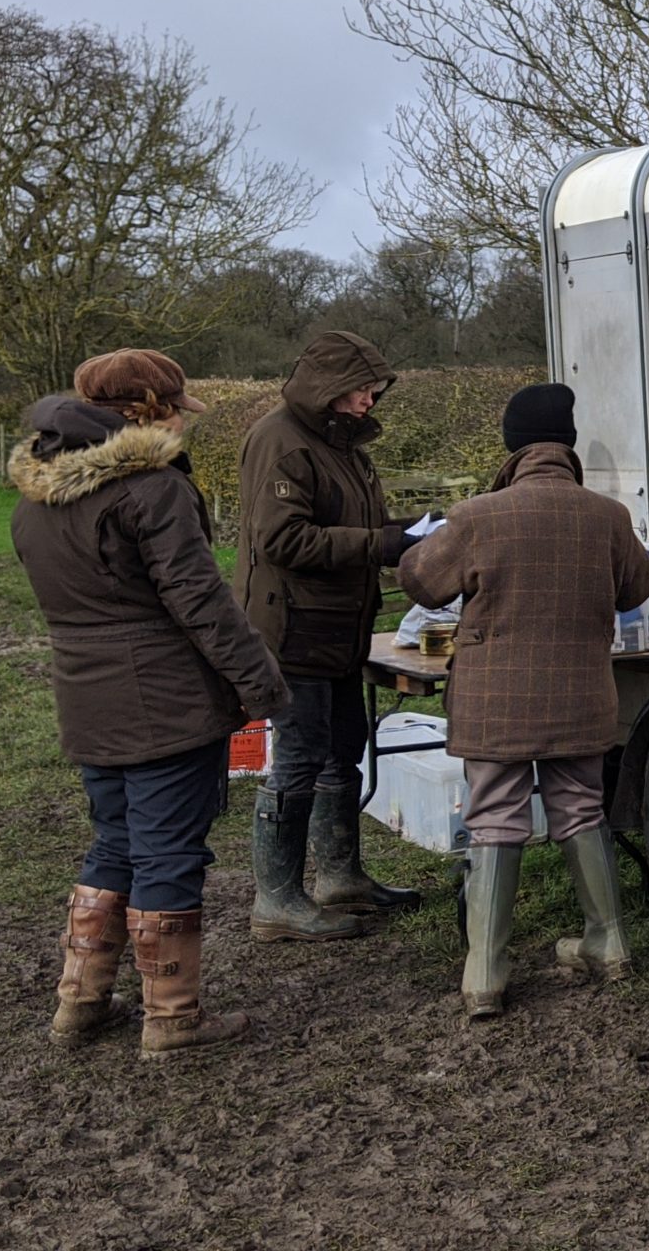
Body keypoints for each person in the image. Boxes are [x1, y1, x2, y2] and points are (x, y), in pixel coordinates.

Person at [10, 350, 288, 1059]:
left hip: (85, 693)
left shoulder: (36, 493)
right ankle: (171, 1018)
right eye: (174, 405)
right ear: (149, 409)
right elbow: (200, 601)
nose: (179, 417)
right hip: (164, 697)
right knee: (168, 852)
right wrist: (261, 685)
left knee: (114, 842)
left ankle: (79, 1002)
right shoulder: (151, 490)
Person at [398, 383, 649, 1018]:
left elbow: (420, 583)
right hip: (580, 695)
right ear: (567, 446)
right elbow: (639, 588)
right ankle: (610, 941)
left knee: (494, 817)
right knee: (580, 809)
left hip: (497, 703)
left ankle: (485, 973)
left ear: (512, 447)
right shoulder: (607, 516)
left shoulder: (477, 515)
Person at [237, 331, 420, 941]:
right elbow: (282, 540)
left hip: (340, 630)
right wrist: (383, 545)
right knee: (299, 756)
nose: (370, 400)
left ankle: (340, 877)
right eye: (361, 390)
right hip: (294, 629)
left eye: (374, 390)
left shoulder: (342, 446)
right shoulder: (281, 442)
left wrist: (414, 533)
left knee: (344, 742)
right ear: (328, 389)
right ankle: (277, 899)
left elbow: (352, 525)